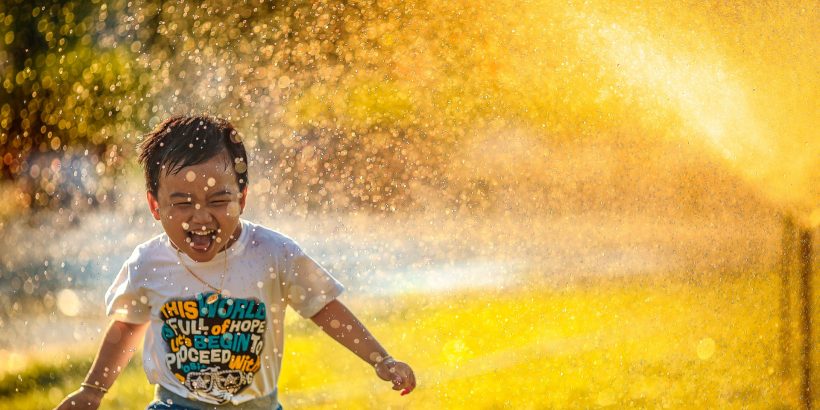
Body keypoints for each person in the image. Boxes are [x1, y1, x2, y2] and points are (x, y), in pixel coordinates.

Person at [55, 115, 416, 410]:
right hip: (176, 406)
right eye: (182, 203)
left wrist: (380, 359)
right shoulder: (149, 263)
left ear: (242, 199)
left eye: (218, 200)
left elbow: (324, 307)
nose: (200, 218)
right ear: (155, 206)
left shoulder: (273, 253)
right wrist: (93, 389)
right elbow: (126, 326)